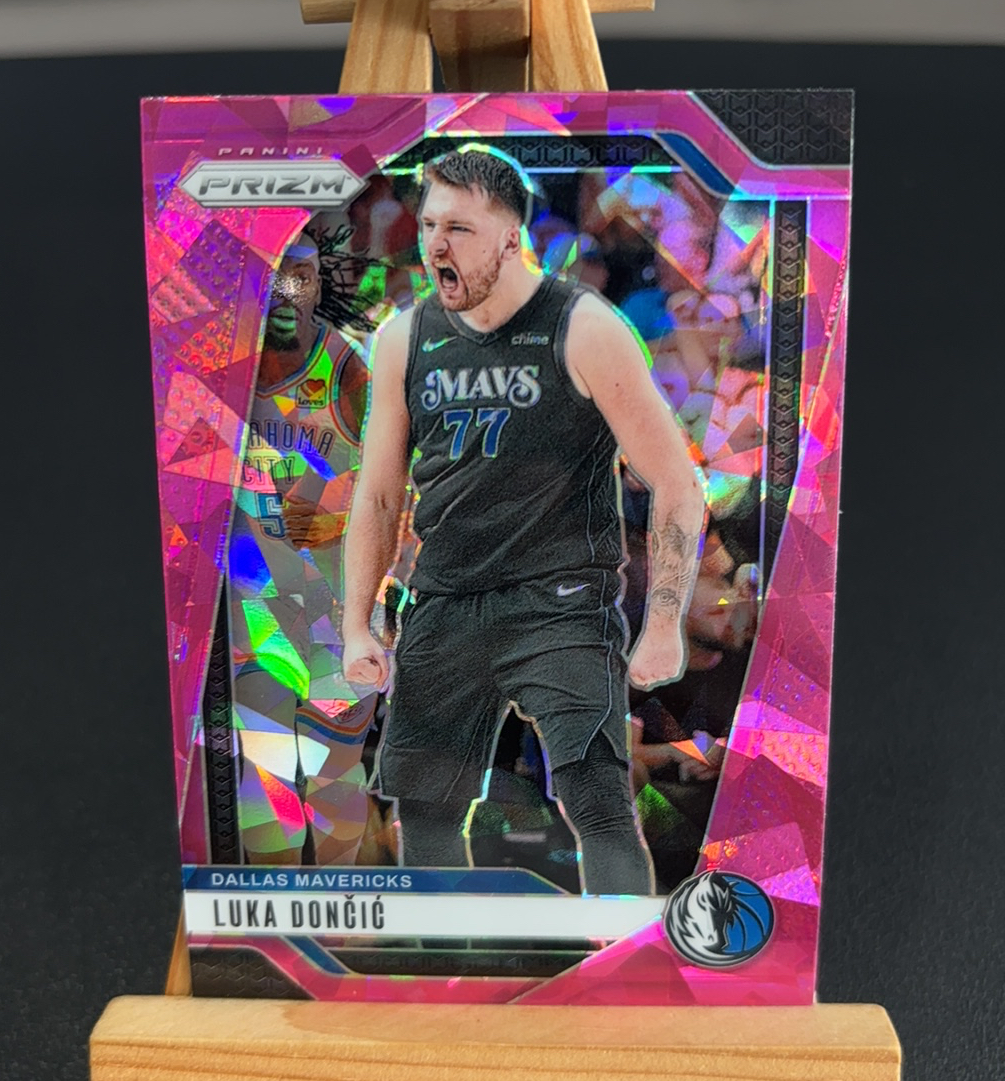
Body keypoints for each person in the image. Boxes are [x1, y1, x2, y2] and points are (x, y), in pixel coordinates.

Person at [341, 149, 706, 896]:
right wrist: (356, 623)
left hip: (560, 600)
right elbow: (377, 496)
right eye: (430, 226)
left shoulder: (584, 326)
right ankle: (450, 963)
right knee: (426, 814)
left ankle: (620, 962)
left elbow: (677, 482)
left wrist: (664, 622)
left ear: (511, 239)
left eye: (459, 229)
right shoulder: (403, 338)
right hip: (447, 599)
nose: (436, 246)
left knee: (598, 804)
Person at [228, 225, 379, 866]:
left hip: (334, 605)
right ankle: (276, 915)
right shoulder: (221, 367)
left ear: (319, 285)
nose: (288, 292)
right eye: (275, 276)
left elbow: (397, 484)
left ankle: (341, 913)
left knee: (334, 774)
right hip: (254, 602)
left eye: (303, 276)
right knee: (263, 774)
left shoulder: (348, 369)